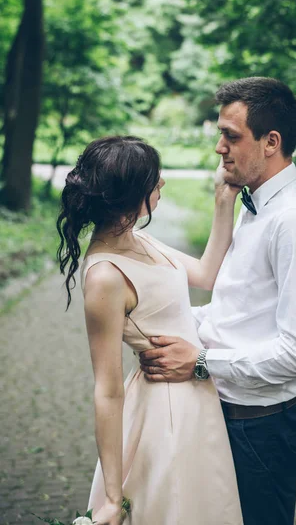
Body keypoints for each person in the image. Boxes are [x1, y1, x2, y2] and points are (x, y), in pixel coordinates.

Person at [140, 77, 296, 525]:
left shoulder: (295, 225)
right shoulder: (257, 206)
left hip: (260, 429)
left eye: (231, 136)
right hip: (227, 414)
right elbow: (238, 310)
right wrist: (161, 320)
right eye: (219, 135)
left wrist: (202, 361)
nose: (219, 148)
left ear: (272, 142)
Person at [56, 135, 243, 525]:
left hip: (196, 393)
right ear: (128, 193)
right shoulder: (105, 276)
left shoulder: (137, 238)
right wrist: (111, 497)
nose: (162, 183)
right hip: (166, 408)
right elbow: (106, 390)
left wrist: (223, 199)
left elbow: (207, 274)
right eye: (153, 180)